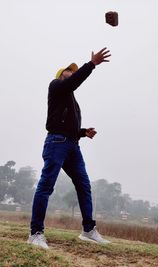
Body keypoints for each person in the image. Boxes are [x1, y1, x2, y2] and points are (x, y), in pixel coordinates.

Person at [27, 48, 111, 249]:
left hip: (72, 145)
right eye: (68, 71)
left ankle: (88, 230)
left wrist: (82, 132)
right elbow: (73, 83)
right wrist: (91, 64)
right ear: (60, 76)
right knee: (46, 186)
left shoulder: (71, 99)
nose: (72, 73)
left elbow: (67, 123)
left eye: (73, 71)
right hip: (56, 142)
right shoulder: (56, 86)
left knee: (84, 185)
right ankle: (35, 233)